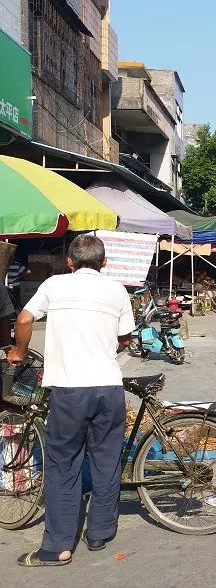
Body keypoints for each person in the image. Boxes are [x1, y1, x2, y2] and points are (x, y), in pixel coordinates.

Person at [9, 235, 135, 567]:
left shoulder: (54, 285)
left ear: (70, 262)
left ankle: (59, 546)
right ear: (104, 263)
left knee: (63, 463)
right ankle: (100, 533)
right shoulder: (118, 291)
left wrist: (19, 352)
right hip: (109, 388)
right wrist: (106, 348)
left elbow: (23, 319)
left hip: (69, 390)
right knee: (107, 460)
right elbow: (124, 339)